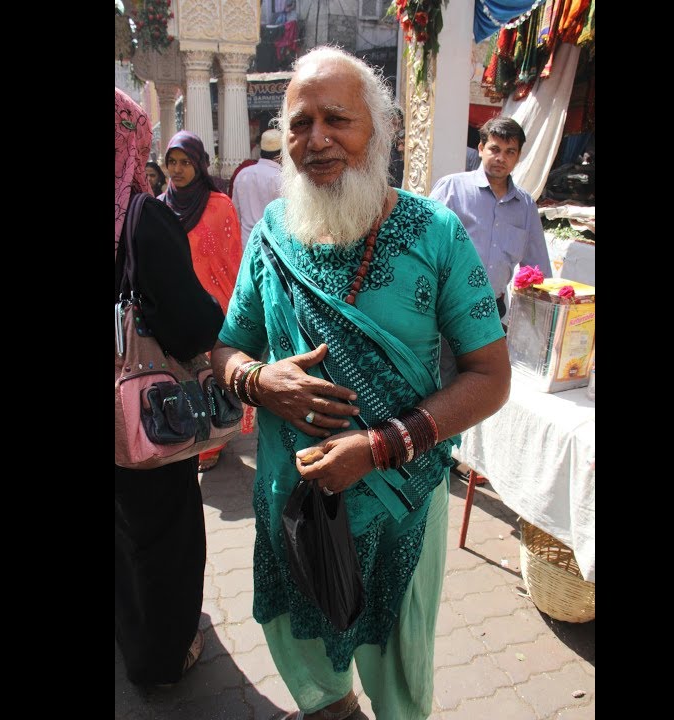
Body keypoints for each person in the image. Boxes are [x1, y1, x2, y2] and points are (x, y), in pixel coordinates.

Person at [211, 47, 511, 720]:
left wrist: (378, 447)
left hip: (400, 508)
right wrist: (259, 381)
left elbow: (491, 377)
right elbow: (226, 349)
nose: (315, 140)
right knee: (307, 659)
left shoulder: (434, 233)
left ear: (379, 130)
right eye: (299, 123)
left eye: (337, 120)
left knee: (400, 678)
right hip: (294, 501)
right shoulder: (269, 236)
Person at [115, 88, 222, 688]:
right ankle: (160, 656)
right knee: (161, 535)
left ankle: (131, 631)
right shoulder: (142, 215)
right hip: (139, 412)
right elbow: (188, 323)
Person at [159, 130, 247, 472]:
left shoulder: (218, 205)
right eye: (172, 162)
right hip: (175, 308)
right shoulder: (160, 205)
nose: (177, 170)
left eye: (186, 162)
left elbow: (232, 259)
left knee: (211, 376)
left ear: (200, 165)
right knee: (182, 375)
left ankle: (213, 441)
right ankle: (191, 432)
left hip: (213, 307)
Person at [430, 116, 551, 323]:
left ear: (518, 156)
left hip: (493, 314)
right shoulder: (451, 189)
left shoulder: (526, 206)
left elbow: (538, 269)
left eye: (509, 152)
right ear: (480, 148)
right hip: (445, 310)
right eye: (494, 149)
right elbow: (425, 244)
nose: (501, 158)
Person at [231, 128, 284, 248]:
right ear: (281, 154)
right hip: (273, 246)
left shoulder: (243, 174)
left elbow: (235, 214)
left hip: (247, 244)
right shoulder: (280, 178)